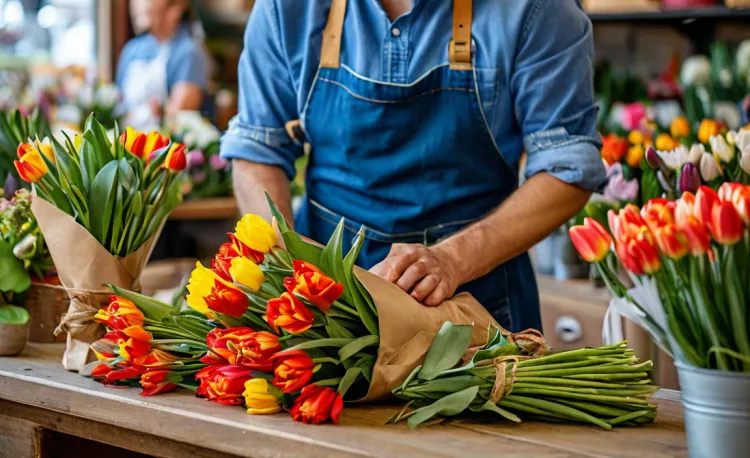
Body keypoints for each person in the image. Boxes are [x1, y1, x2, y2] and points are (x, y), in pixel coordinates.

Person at [221, 0, 605, 332]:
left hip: (478, 309)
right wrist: (289, 257)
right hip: (322, 311)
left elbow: (566, 168)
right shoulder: (288, 8)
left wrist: (451, 260)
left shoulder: (537, 9)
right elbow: (258, 150)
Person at [116, 0, 207, 131]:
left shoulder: (189, 53)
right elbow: (117, 102)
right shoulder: (132, 50)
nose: (139, 4)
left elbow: (178, 117)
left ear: (176, 8)